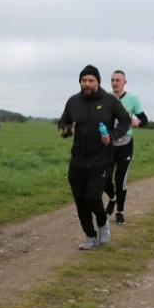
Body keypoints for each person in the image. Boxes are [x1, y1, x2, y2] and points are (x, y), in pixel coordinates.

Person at [57, 65, 132, 250]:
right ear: (80, 82)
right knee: (80, 202)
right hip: (77, 160)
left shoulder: (109, 101)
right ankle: (90, 236)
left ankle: (102, 223)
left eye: (91, 80)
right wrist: (67, 130)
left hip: (101, 160)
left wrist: (113, 136)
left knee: (92, 197)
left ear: (97, 81)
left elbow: (125, 120)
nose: (87, 84)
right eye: (84, 80)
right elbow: (62, 123)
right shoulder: (73, 101)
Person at [103, 70, 148, 225]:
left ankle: (120, 212)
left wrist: (138, 122)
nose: (114, 83)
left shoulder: (132, 99)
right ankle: (112, 198)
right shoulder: (106, 98)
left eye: (117, 80)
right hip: (109, 143)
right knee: (104, 178)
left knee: (120, 180)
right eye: (112, 80)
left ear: (124, 82)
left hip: (125, 144)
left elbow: (144, 119)